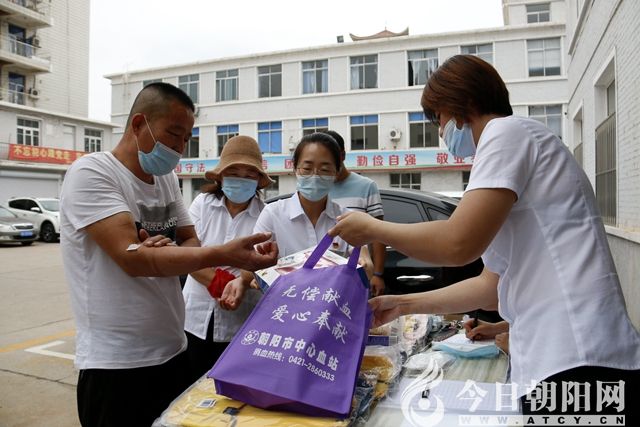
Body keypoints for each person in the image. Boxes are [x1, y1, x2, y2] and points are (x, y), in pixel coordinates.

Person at [329, 55, 640, 419]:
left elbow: (458, 243)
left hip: (577, 356)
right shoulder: (516, 148)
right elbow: (490, 286)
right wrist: (404, 304)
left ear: (462, 103)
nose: (441, 132)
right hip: (557, 357)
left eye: (439, 118)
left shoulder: (506, 133)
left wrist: (373, 228)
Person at [60, 83, 277, 427]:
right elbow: (133, 259)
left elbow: (189, 240)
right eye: (173, 134)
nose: (178, 147)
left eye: (186, 139)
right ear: (138, 124)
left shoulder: (165, 180)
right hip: (118, 362)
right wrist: (223, 256)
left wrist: (166, 252)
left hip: (173, 350)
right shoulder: (93, 172)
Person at [183, 135, 272, 383]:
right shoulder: (202, 204)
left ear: (258, 181)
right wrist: (224, 285)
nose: (241, 180)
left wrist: (242, 284)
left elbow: (264, 266)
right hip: (195, 317)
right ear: (221, 176)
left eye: (249, 174)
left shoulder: (267, 215)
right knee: (191, 388)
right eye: (233, 173)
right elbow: (189, 254)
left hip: (242, 321)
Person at [254, 132, 373, 273]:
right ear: (295, 168)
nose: (315, 176)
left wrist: (365, 265)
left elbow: (365, 263)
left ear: (337, 172)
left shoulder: (348, 219)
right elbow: (254, 265)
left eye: (325, 170)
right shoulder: (273, 214)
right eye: (307, 169)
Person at [325, 130, 386, 296]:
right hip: (324, 279)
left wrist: (378, 274)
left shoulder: (367, 186)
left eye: (332, 158)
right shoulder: (318, 189)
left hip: (358, 276)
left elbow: (379, 234)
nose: (327, 164)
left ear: (343, 155)